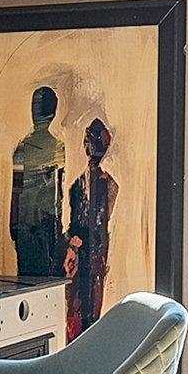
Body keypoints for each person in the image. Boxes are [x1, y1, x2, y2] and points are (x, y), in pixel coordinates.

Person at [64, 117, 118, 339]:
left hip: (93, 253)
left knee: (86, 306)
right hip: (90, 252)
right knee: (83, 306)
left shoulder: (101, 184)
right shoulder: (84, 184)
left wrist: (73, 246)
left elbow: (80, 224)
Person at [9, 85, 66, 279]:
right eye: (34, 106)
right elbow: (16, 189)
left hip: (39, 222)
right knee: (33, 277)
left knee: (35, 277)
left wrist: (14, 220)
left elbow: (59, 191)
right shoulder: (27, 147)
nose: (35, 111)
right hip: (34, 222)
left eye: (38, 107)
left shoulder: (52, 147)